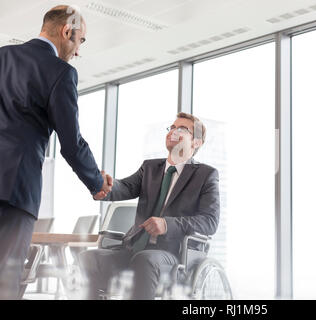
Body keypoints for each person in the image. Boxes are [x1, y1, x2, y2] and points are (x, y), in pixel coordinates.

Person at [0, 5, 113, 299]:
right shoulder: (60, 73)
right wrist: (96, 182)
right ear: (67, 32)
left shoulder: (1, 56)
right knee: (4, 282)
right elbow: (71, 143)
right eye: (80, 41)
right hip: (15, 188)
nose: (77, 51)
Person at [79, 112, 220, 299]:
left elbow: (210, 222)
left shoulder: (205, 175)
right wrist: (103, 187)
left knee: (145, 260)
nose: (173, 132)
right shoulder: (150, 168)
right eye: (172, 127)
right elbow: (125, 187)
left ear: (196, 142)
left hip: (173, 254)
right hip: (134, 247)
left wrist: (168, 224)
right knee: (90, 258)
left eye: (182, 129)